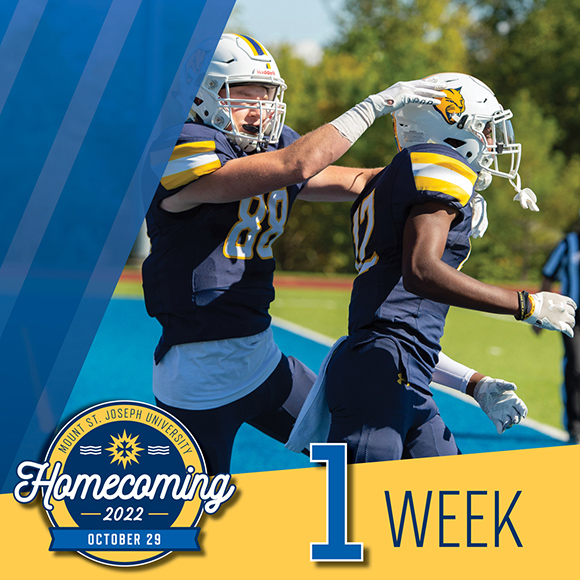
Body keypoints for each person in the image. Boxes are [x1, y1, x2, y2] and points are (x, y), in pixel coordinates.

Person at [142, 35, 525, 474]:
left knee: (370, 451)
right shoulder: (179, 145)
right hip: (196, 374)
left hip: (261, 359)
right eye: (245, 94)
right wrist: (373, 105)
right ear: (202, 95)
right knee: (194, 523)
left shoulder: (271, 146)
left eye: (267, 96)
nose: (261, 109)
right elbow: (296, 167)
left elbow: (362, 180)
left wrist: (450, 189)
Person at [290, 72, 576, 463]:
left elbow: (402, 331)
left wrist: (473, 384)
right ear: (450, 128)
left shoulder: (390, 179)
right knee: (354, 516)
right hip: (381, 374)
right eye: (486, 130)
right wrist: (524, 304)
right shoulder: (438, 164)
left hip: (398, 371)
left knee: (449, 513)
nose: (493, 143)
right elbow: (421, 271)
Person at [535, 214, 580, 444]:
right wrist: (541, 311)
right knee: (576, 367)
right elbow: (548, 274)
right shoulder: (569, 243)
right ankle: (575, 426)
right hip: (573, 317)